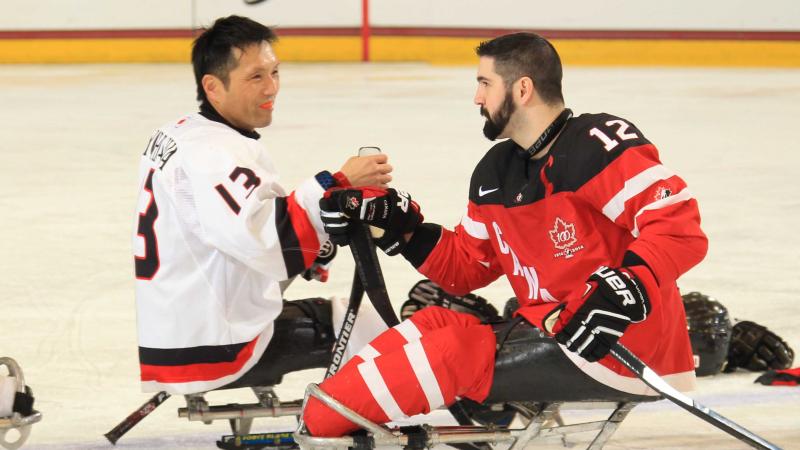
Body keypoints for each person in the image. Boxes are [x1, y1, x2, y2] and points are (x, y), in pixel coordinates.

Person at [303, 32, 708, 436]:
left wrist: (626, 284)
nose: (477, 99)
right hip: (549, 331)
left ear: (522, 88)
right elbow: (467, 267)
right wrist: (400, 228)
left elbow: (678, 227)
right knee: (435, 323)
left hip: (618, 345)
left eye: (484, 84)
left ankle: (323, 420)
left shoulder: (596, 144)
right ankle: (329, 409)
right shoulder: (496, 171)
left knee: (453, 353)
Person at [132, 15, 392, 394]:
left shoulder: (179, 132)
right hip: (214, 345)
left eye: (275, 72)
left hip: (179, 328)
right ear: (213, 87)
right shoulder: (214, 153)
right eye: (255, 77)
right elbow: (271, 236)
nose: (272, 88)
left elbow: (229, 232)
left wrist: (313, 243)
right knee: (362, 323)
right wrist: (339, 184)